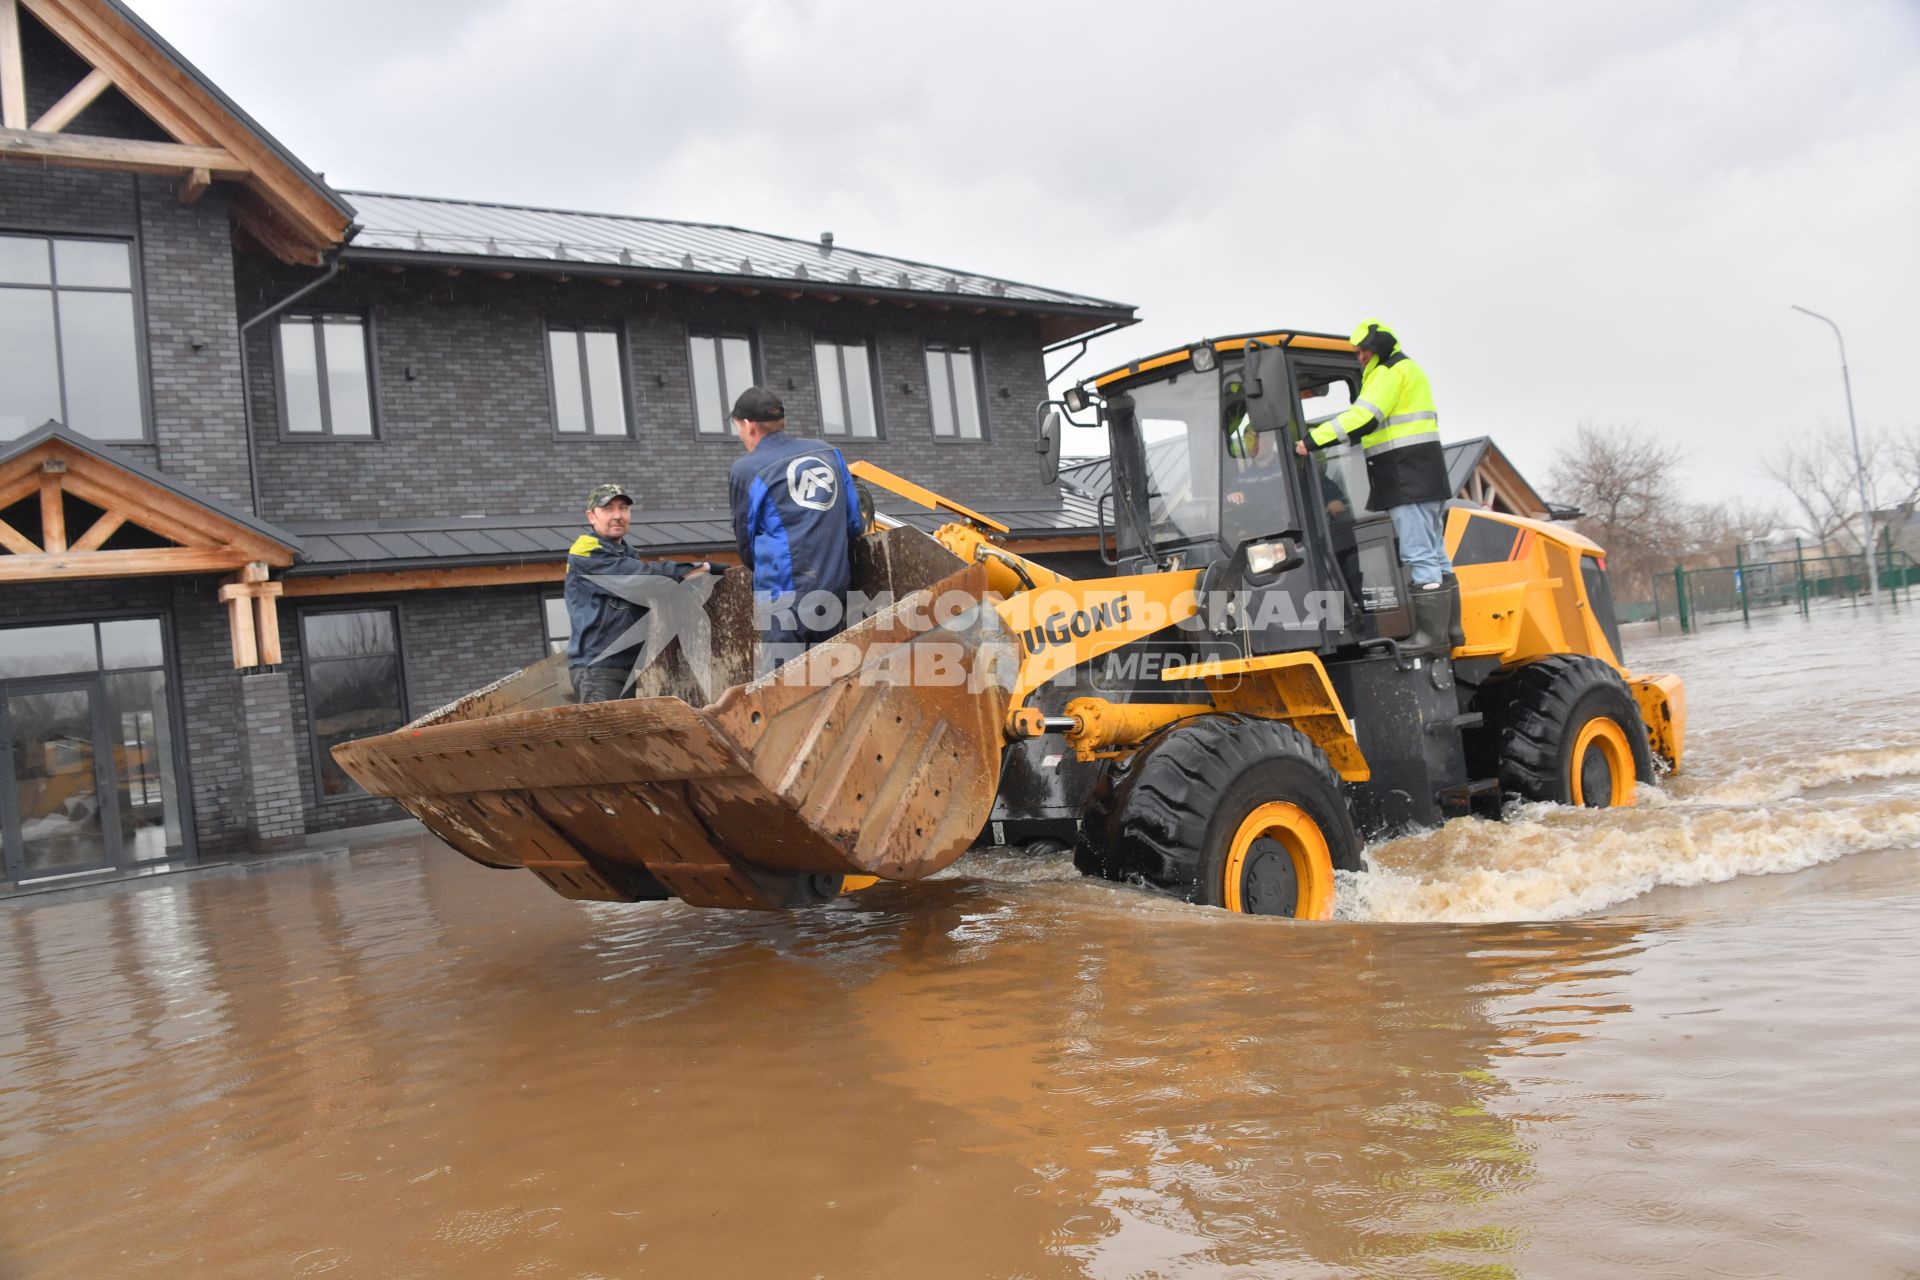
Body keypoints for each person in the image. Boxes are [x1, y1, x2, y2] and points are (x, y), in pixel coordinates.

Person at [1296, 319, 1459, 654]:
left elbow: (1364, 417)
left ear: (1378, 347)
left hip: (1406, 475)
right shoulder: (1406, 369)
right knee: (1435, 552)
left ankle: (1432, 637)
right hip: (1421, 474)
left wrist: (1312, 440)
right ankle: (1452, 630)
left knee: (1418, 552)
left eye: (1363, 350)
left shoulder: (1388, 373)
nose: (1360, 357)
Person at [726, 387, 864, 675]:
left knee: (780, 694)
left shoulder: (747, 469)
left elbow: (747, 544)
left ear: (748, 426)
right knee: (828, 687)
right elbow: (854, 523)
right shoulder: (827, 452)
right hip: (834, 590)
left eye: (738, 427)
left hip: (783, 598)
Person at [565, 483, 709, 703]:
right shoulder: (587, 552)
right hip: (599, 668)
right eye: (608, 509)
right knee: (610, 736)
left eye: (623, 508)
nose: (617, 516)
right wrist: (701, 569)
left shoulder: (626, 554)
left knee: (627, 735)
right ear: (591, 516)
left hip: (624, 664)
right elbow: (645, 579)